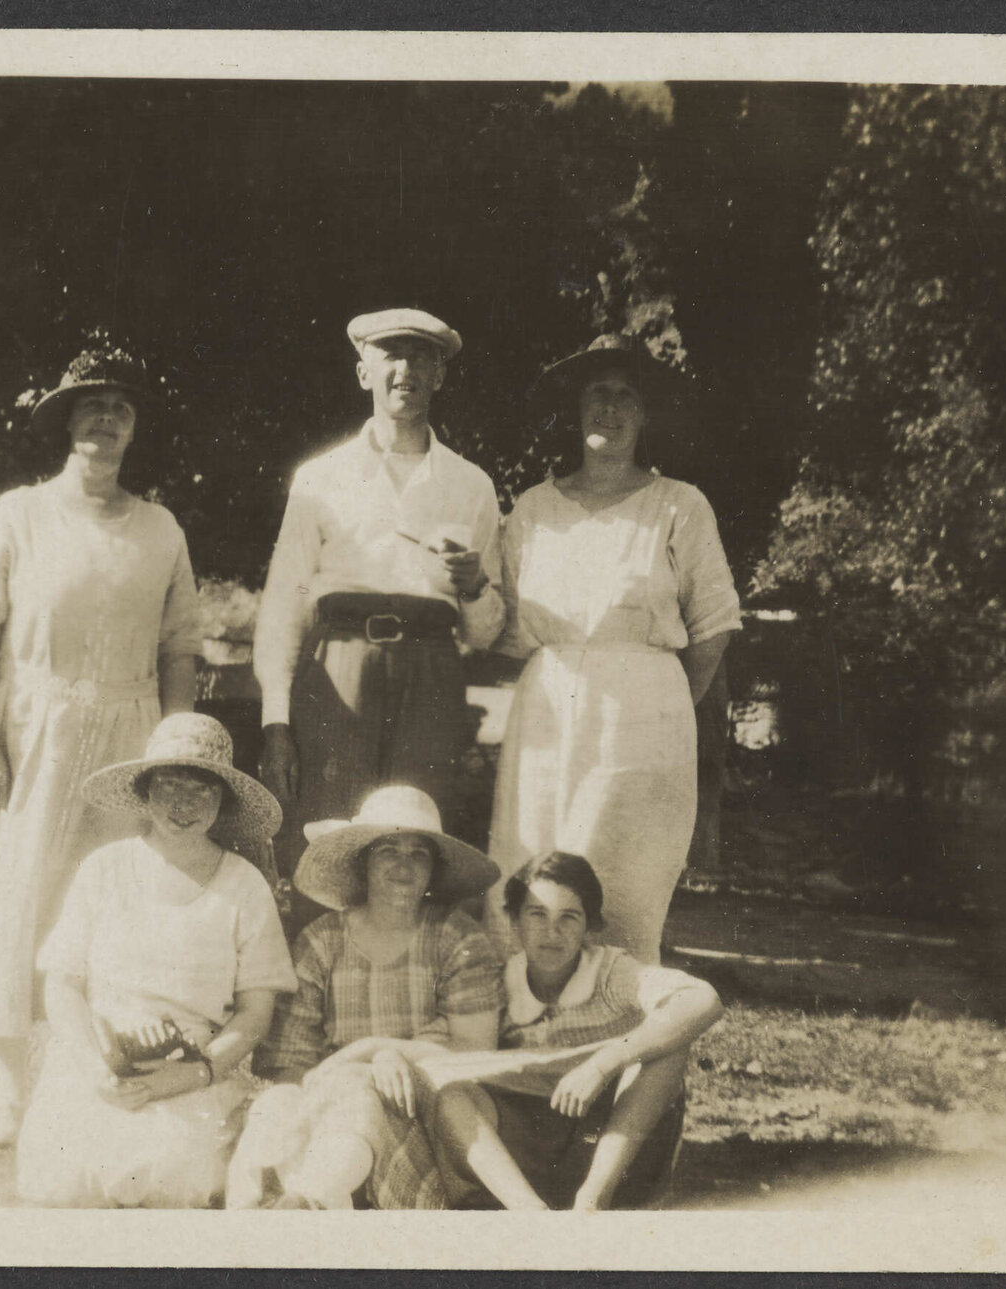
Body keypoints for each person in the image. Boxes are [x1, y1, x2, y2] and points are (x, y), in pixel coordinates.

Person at [0, 343, 203, 1149]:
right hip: (33, 735)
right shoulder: (20, 515)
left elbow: (180, 646)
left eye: (120, 408)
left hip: (129, 739)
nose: (105, 419)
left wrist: (174, 753)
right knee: (20, 898)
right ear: (66, 424)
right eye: (90, 406)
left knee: (113, 902)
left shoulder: (160, 529)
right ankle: (11, 1089)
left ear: (134, 429)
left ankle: (94, 1075)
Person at [487, 333, 742, 964]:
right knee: (534, 864)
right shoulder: (533, 509)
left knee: (621, 881)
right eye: (598, 393)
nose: (610, 407)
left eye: (626, 396)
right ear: (576, 408)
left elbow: (714, 624)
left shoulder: (679, 505)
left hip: (643, 721)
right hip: (547, 715)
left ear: (645, 414)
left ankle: (618, 1014)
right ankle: (527, 1012)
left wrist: (664, 706)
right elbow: (507, 627)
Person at [254, 309, 505, 934]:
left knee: (420, 831)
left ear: (440, 375)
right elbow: (285, 604)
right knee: (329, 830)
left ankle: (411, 978)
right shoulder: (320, 478)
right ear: (364, 371)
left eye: (422, 357)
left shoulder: (471, 485)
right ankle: (316, 974)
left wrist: (473, 585)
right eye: (391, 354)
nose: (406, 370)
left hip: (432, 672)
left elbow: (485, 630)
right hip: (340, 668)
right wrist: (277, 721)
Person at [15, 713, 297, 1208]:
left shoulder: (245, 885)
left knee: (170, 1178)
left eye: (201, 789)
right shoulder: (104, 869)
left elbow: (256, 1013)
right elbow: (62, 983)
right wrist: (94, 1068)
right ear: (145, 792)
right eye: (168, 785)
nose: (182, 805)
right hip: (98, 1061)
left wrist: (194, 1074)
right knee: (65, 1178)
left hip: (193, 1070)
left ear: (223, 800)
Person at [227, 785, 503, 1210]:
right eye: (388, 851)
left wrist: (374, 1050)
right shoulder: (323, 942)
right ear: (363, 861)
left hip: (428, 1111)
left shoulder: (456, 937)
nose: (403, 867)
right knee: (277, 1103)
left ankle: (310, 1202)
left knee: (357, 1087)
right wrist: (306, 1100)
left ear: (434, 870)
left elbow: (476, 1050)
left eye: (419, 855)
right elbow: (292, 1062)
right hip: (334, 1108)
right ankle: (256, 1212)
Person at [432, 852, 724, 1211]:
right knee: (453, 1097)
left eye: (569, 917)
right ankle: (528, 1210)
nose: (552, 933)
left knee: (669, 1047)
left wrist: (604, 1063)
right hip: (533, 1152)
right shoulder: (498, 983)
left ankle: (593, 1199)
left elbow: (702, 999)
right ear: (514, 921)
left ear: (589, 926)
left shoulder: (609, 972)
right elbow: (445, 1044)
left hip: (610, 1147)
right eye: (537, 915)